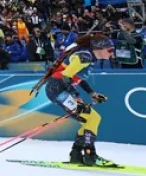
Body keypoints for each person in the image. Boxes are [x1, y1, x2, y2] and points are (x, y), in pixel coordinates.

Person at [44, 34, 113, 166]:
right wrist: (77, 98)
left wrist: (92, 93)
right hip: (57, 89)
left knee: (90, 120)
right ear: (99, 48)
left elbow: (76, 77)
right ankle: (90, 155)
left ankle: (76, 154)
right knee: (93, 118)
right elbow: (65, 76)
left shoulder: (89, 57)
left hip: (59, 88)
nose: (111, 53)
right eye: (109, 50)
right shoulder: (84, 57)